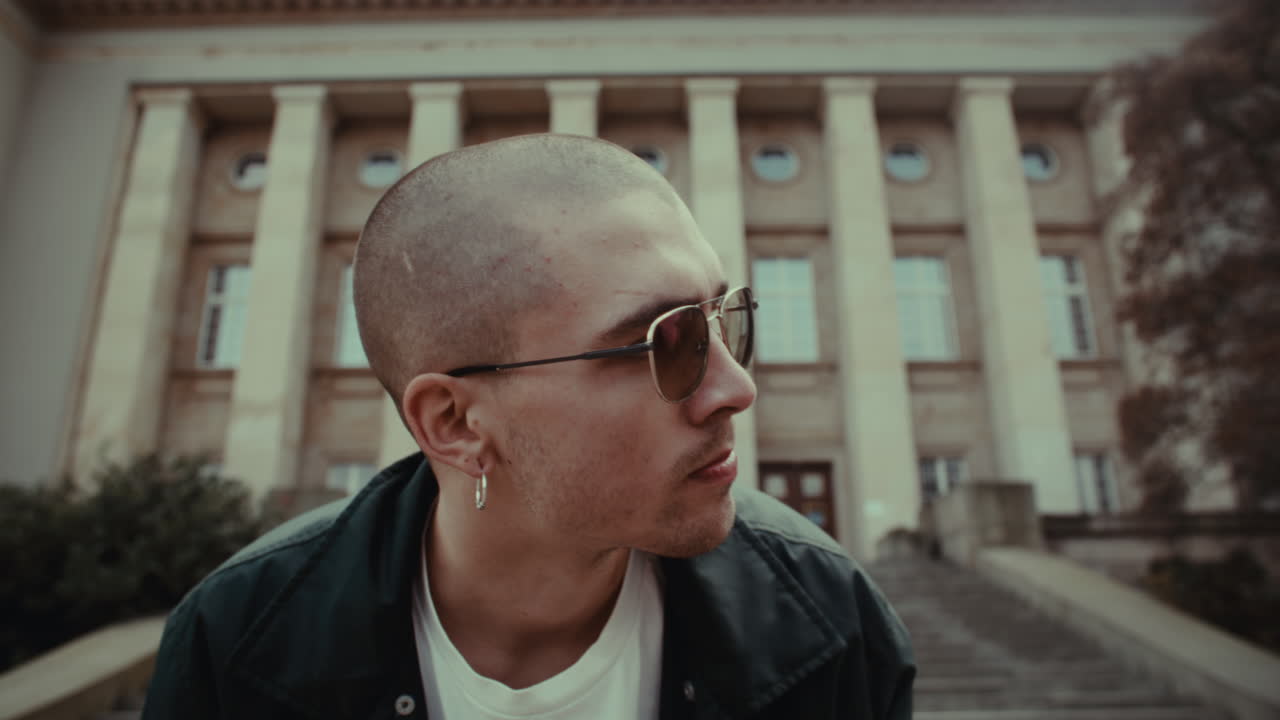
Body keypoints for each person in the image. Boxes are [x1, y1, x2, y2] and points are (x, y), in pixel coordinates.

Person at [141, 134, 914, 719]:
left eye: (725, 320)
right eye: (665, 343)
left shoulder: (828, 619)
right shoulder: (236, 646)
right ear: (455, 423)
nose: (736, 389)